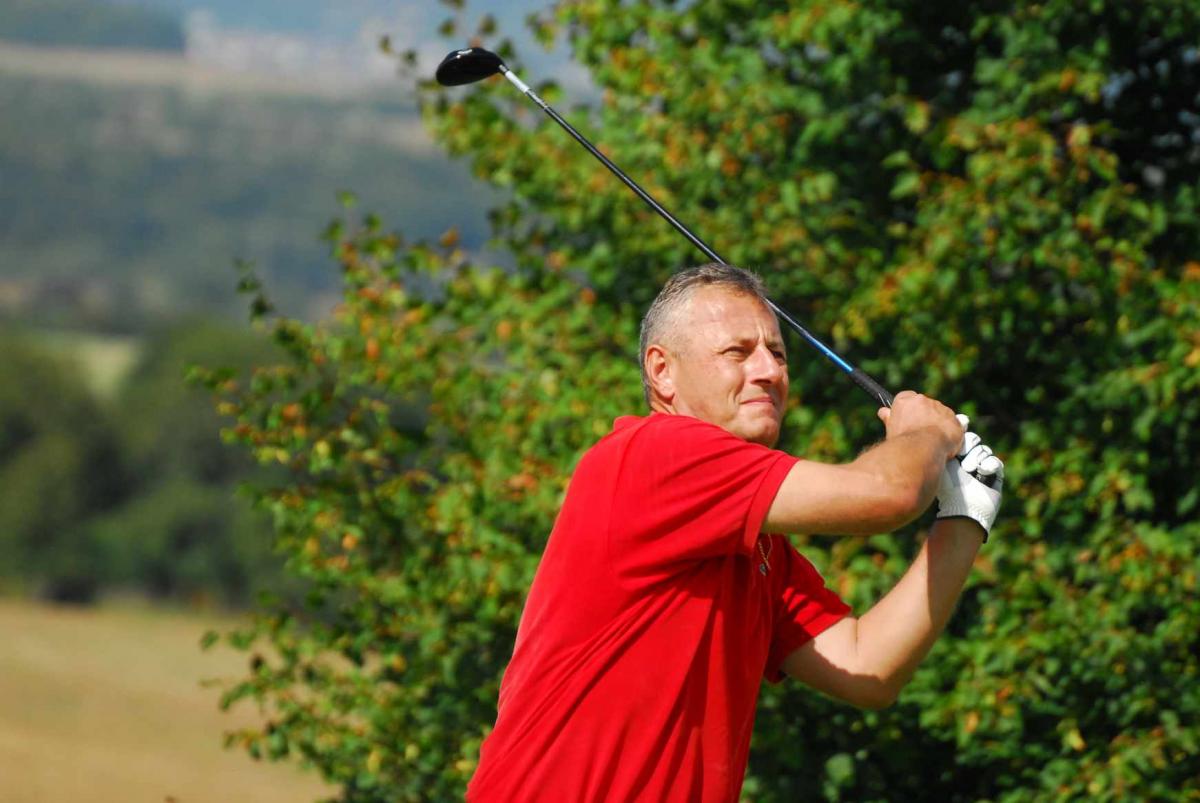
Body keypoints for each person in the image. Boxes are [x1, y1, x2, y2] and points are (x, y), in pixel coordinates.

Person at [467, 264, 1004, 802]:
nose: (769, 370)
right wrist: (926, 433)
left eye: (778, 354)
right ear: (662, 372)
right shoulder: (658, 454)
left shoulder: (756, 542)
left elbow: (868, 667)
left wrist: (964, 516)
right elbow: (887, 493)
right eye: (737, 352)